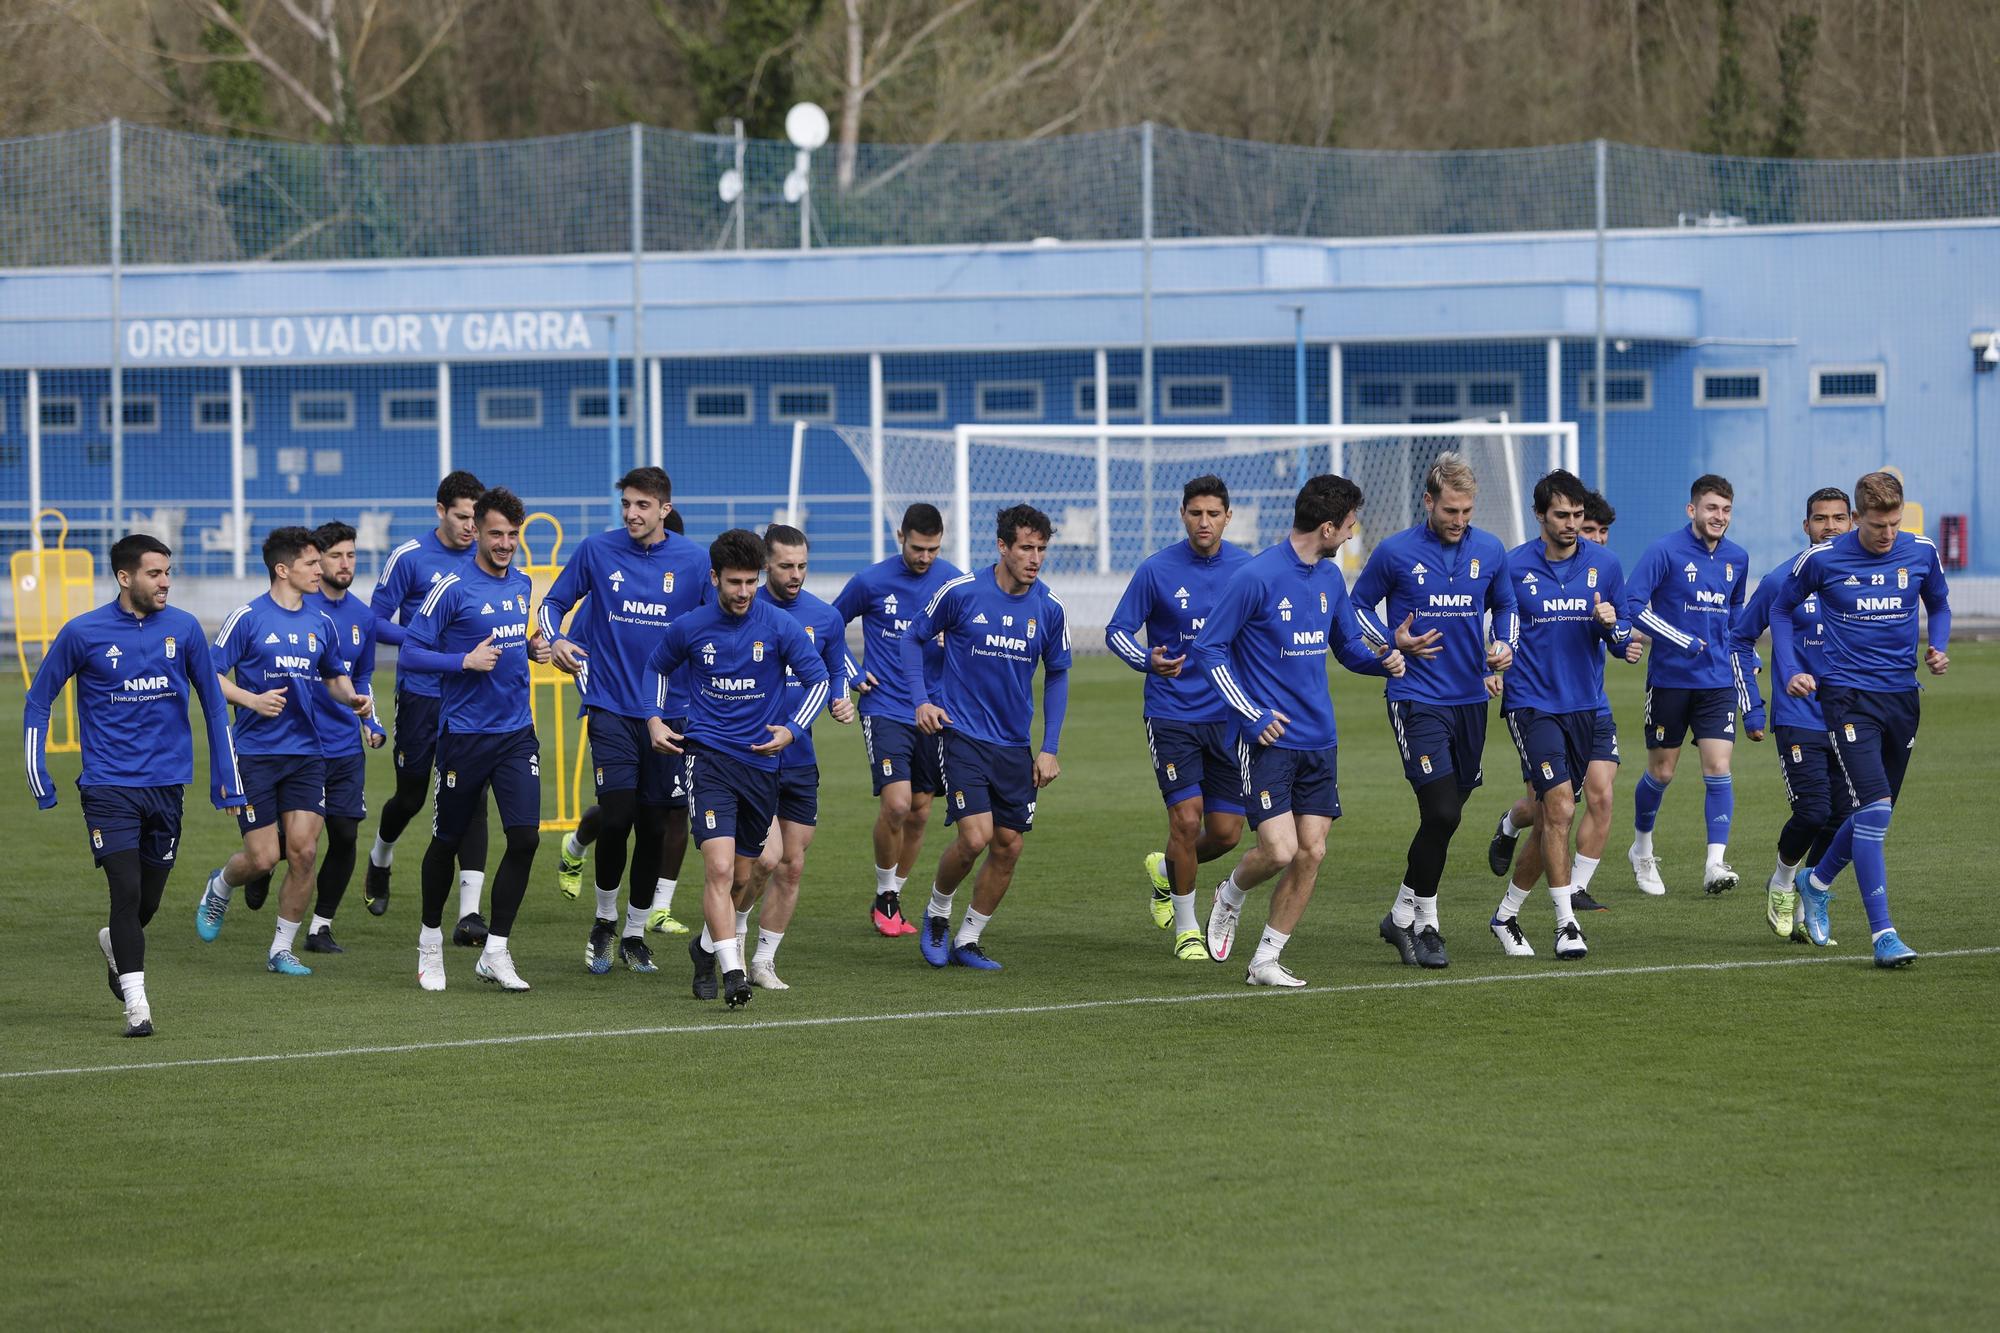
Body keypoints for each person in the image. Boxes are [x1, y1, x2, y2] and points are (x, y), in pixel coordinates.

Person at [24, 533, 242, 1036]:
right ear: (125, 577)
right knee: (124, 891)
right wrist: (39, 774)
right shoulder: (83, 632)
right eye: (153, 573)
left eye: (167, 572)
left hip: (167, 787)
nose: (165, 582)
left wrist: (226, 781)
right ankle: (137, 1007)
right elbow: (39, 699)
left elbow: (212, 703)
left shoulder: (185, 630)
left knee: (147, 901)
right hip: (108, 786)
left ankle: (114, 945)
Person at [1192, 475, 1406, 987]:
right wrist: (1252, 714)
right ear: (1328, 527)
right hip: (1267, 740)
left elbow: (1347, 645)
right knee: (1279, 851)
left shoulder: (1331, 578)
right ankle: (1230, 893)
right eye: (1350, 526)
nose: (1353, 536)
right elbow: (1208, 648)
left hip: (1320, 740)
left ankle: (1265, 959)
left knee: (1312, 851)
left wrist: (1384, 660)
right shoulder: (1256, 576)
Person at [644, 528, 831, 1008]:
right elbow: (657, 668)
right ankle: (734, 974)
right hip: (708, 760)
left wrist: (792, 730)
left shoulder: (779, 626)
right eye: (734, 582)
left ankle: (705, 949)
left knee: (747, 876)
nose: (744, 592)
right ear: (714, 578)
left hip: (760, 768)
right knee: (721, 869)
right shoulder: (690, 626)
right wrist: (653, 718)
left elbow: (819, 680)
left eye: (751, 581)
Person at [538, 467, 711, 975]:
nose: (632, 514)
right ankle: (604, 921)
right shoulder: (596, 550)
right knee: (616, 818)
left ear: (665, 509)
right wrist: (561, 640)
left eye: (643, 505)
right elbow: (552, 604)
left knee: (655, 826)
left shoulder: (696, 561)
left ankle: (635, 932)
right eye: (627, 505)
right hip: (609, 702)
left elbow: (714, 627)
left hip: (670, 713)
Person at [1349, 452, 1518, 970]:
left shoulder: (1490, 549)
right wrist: (1389, 641)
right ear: (1429, 501)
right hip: (1416, 698)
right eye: (1450, 510)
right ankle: (1427, 924)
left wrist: (1503, 646)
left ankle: (1400, 914)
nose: (1459, 520)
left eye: (1467, 511)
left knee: (1446, 816)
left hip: (1471, 699)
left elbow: (1505, 606)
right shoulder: (1395, 552)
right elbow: (1356, 607)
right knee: (1440, 811)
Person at [1774, 471, 1950, 968]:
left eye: (1894, 523)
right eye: (1877, 525)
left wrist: (1938, 643)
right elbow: (1782, 610)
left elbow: (1938, 601)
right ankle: (1884, 934)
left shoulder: (1920, 551)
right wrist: (1790, 669)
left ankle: (1816, 881)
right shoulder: (1823, 559)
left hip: (1903, 698)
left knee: (1878, 813)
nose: (1887, 534)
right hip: (1848, 699)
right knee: (1873, 808)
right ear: (1857, 519)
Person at [195, 528, 370, 976]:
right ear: (282, 569)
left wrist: (351, 698)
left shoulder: (321, 623)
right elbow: (209, 676)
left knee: (304, 852)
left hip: (308, 753)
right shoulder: (247, 618)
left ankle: (281, 949)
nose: (321, 571)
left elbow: (333, 675)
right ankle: (220, 885)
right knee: (263, 858)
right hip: (254, 753)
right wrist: (252, 700)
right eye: (312, 564)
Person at [397, 488, 552, 991]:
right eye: (496, 534)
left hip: (516, 734)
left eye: (512, 534)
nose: (505, 543)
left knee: (525, 838)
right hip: (464, 737)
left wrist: (531, 648)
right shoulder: (452, 587)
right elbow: (410, 654)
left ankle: (496, 951)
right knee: (446, 841)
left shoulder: (523, 583)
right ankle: (429, 943)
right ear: (478, 534)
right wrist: (461, 661)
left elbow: (507, 641)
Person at [907, 505, 1072, 971]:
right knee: (976, 836)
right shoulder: (962, 592)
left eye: (1041, 549)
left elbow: (1057, 674)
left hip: (1013, 746)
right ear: (1003, 546)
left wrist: (1049, 747)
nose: (1034, 557)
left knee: (1009, 844)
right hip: (961, 735)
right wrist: (922, 699)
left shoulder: (1049, 608)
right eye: (1026, 548)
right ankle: (938, 913)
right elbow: (912, 639)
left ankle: (969, 940)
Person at [1103, 474, 1253, 961]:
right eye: (1196, 513)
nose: (1204, 522)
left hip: (1230, 719)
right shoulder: (1156, 570)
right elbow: (1117, 631)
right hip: (1172, 714)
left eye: (1213, 514)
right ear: (1183, 515)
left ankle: (1165, 872)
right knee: (1186, 823)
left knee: (1227, 833)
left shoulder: (1249, 570)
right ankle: (1187, 929)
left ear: (1228, 517)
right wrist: (1147, 659)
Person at [1487, 471, 1632, 960]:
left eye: (1577, 516)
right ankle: (1566, 923)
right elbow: (1495, 628)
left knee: (1554, 817)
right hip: (1532, 705)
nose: (1571, 525)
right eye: (1561, 516)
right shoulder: (1511, 567)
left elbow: (1622, 636)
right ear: (1540, 516)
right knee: (1563, 809)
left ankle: (1506, 914)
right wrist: (1493, 660)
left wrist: (1612, 627)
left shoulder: (1606, 566)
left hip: (1587, 705)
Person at [560, 506, 698, 936]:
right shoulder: (608, 583)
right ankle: (580, 855)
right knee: (621, 813)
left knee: (669, 817)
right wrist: (597, 694)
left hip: (675, 715)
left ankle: (654, 910)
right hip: (615, 711)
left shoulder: (693, 575)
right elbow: (577, 642)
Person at [365, 470, 491, 940]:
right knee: (412, 794)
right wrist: (428, 640)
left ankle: (469, 914)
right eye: (462, 517)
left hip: (473, 696)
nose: (471, 528)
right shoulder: (410, 558)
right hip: (421, 692)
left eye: (477, 519)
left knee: (473, 797)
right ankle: (380, 857)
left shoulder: (488, 560)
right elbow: (374, 623)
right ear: (440, 511)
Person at [732, 524, 858, 990]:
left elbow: (834, 669)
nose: (796, 574)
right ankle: (731, 937)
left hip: (800, 758)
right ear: (766, 564)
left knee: (793, 864)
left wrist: (841, 700)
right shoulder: (745, 609)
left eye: (802, 565)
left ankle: (764, 961)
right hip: (754, 754)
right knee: (764, 859)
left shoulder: (824, 618)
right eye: (786, 566)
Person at [832, 504, 962, 936]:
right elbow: (827, 627)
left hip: (934, 708)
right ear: (901, 538)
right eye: (918, 548)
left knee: (922, 812)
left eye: (933, 549)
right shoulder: (870, 581)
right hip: (885, 705)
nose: (925, 557)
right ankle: (886, 894)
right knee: (898, 804)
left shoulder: (954, 582)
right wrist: (851, 671)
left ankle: (893, 897)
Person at [1731, 488, 1854, 941]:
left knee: (1844, 819)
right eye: (1820, 519)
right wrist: (1753, 708)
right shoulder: (1781, 581)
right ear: (1806, 527)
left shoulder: (1864, 581)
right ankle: (1783, 880)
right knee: (1812, 810)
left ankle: (1808, 901)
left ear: (1853, 522)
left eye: (1839, 518)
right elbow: (1740, 639)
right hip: (1799, 715)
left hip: (1854, 717)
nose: (1830, 527)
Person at [1621, 474, 1752, 896]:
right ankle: (1641, 850)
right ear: (1692, 509)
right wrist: (1677, 638)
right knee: (1662, 771)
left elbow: (1736, 615)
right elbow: (1632, 605)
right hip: (1670, 681)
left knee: (1718, 768)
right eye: (1712, 508)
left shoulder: (1738, 557)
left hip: (1717, 683)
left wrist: (1743, 654)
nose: (1720, 517)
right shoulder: (1665, 551)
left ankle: (1715, 863)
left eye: (1726, 510)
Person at [299, 521, 388, 951]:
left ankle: (320, 926)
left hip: (344, 747)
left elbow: (363, 675)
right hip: (298, 745)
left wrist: (371, 723)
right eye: (335, 555)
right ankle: (256, 872)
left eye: (351, 555)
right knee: (293, 842)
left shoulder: (362, 616)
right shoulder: (298, 609)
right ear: (318, 560)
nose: (345, 563)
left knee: (346, 834)